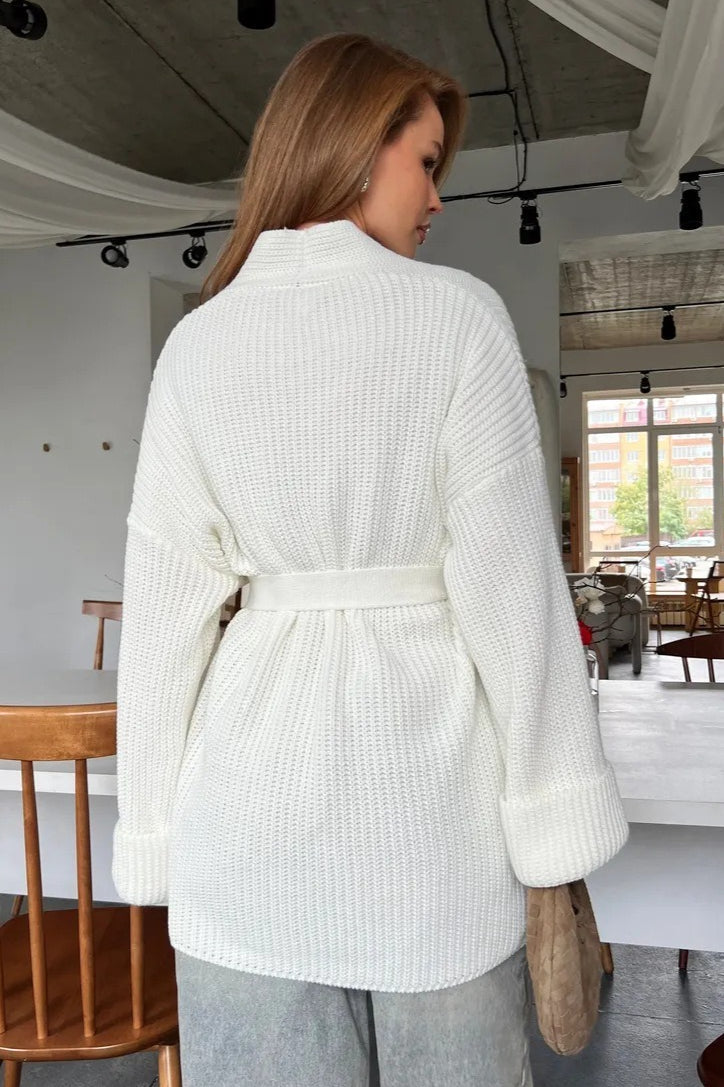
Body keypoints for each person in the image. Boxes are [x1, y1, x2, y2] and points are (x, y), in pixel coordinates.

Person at [111, 31, 629, 1087]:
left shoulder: (198, 345)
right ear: (353, 140)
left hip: (240, 838)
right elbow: (515, 601)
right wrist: (554, 819)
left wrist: (154, 830)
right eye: (427, 162)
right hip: (432, 839)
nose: (436, 198)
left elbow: (162, 621)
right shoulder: (458, 320)